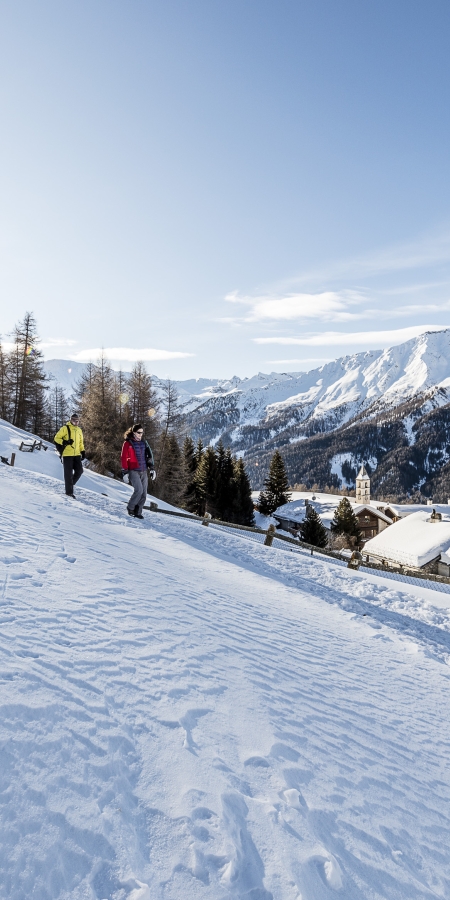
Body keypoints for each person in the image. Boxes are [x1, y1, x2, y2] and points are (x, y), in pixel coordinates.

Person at [121, 423, 156, 519]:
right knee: (139, 490)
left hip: (144, 470)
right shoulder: (127, 443)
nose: (141, 434)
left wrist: (152, 469)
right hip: (133, 470)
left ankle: (138, 511)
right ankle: (130, 508)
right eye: (139, 432)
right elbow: (123, 458)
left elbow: (149, 456)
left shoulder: (144, 443)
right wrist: (125, 472)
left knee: (144, 494)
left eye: (142, 433)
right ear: (134, 433)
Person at [54, 412, 85, 498]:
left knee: (79, 471)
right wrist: (65, 442)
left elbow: (80, 442)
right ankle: (69, 492)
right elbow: (56, 438)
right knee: (68, 473)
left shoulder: (79, 430)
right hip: (67, 454)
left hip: (77, 454)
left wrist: (83, 451)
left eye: (77, 421)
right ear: (71, 420)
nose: (76, 422)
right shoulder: (65, 428)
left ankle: (70, 484)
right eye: (74, 420)